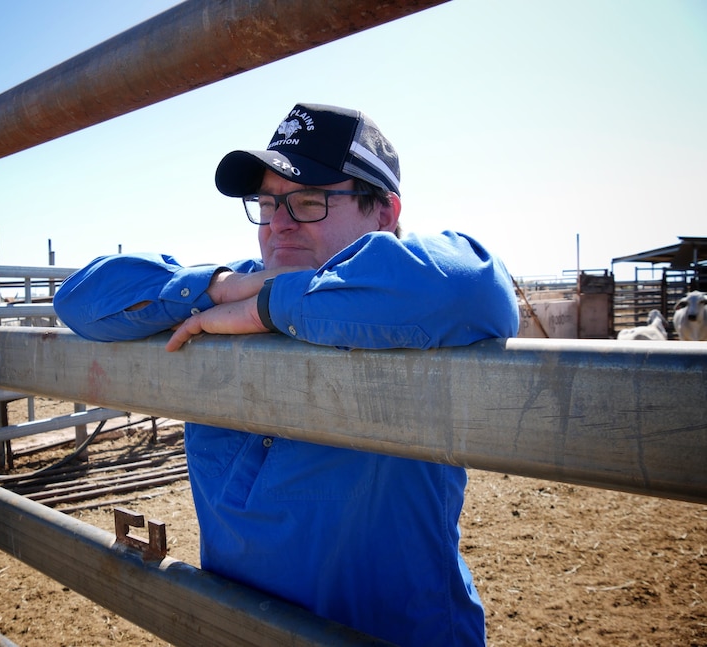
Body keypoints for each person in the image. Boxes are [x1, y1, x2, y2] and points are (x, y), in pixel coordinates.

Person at [54, 103, 519, 645]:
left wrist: (267, 307)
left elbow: (476, 286)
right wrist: (218, 286)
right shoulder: (229, 290)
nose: (278, 223)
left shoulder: (412, 297)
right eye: (268, 203)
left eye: (309, 201)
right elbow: (79, 299)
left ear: (385, 214)